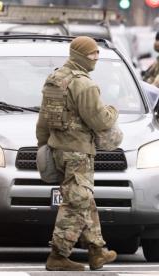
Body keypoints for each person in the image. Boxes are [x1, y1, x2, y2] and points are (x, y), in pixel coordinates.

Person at [36, 36, 118, 271]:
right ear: (81, 55)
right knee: (75, 204)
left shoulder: (55, 78)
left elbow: (43, 120)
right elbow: (99, 121)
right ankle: (58, 255)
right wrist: (113, 111)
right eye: (92, 54)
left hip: (58, 150)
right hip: (78, 153)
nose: (96, 58)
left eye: (97, 54)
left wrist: (44, 145)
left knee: (83, 200)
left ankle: (97, 251)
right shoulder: (84, 85)